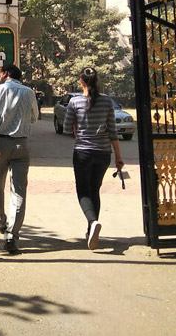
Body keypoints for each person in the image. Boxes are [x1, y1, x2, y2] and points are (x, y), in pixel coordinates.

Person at [64, 66, 124, 250]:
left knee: (83, 191)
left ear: (80, 82)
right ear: (97, 81)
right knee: (94, 190)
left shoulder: (74, 102)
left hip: (82, 152)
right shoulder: (107, 101)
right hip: (103, 153)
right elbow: (113, 131)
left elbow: (66, 128)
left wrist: (77, 127)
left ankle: (92, 221)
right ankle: (91, 230)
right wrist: (119, 157)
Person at [0, 64, 38, 254]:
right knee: (19, 190)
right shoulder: (29, 92)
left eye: (0, 73)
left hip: (0, 143)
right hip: (22, 145)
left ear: (6, 73)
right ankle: (11, 234)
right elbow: (34, 117)